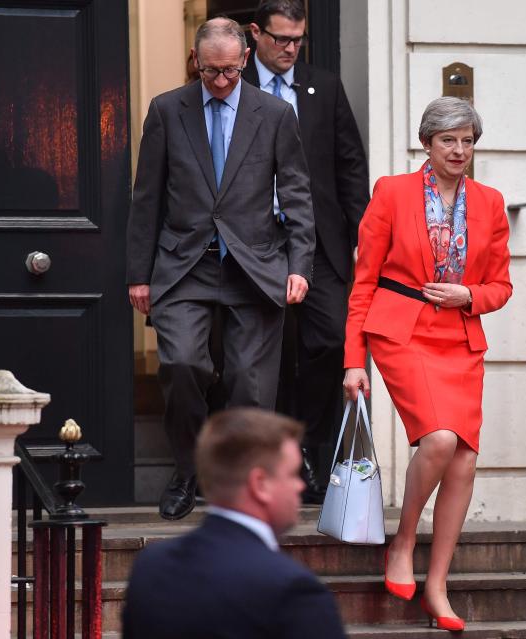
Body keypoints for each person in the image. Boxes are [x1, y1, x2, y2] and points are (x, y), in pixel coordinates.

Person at [125, 17, 315, 521]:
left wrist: (300, 265)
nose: (222, 81)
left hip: (255, 265)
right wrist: (138, 274)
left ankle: (241, 490)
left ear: (245, 59)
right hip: (185, 264)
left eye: (231, 70)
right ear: (197, 61)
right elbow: (147, 197)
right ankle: (187, 469)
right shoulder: (167, 110)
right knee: (183, 364)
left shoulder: (274, 114)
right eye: (212, 72)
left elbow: (296, 193)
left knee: (251, 388)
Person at [343, 97, 512, 632]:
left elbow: (502, 286)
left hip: (460, 337)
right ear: (427, 143)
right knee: (438, 440)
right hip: (403, 332)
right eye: (448, 140)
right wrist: (354, 360)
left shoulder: (490, 202)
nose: (459, 150)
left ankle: (437, 585)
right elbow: (364, 281)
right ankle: (403, 541)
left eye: (467, 141)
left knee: (462, 460)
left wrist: (470, 295)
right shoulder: (391, 192)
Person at [242, 0, 370, 504]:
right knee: (257, 356)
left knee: (331, 342)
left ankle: (312, 449)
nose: (291, 49)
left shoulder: (324, 87)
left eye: (298, 40)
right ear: (256, 34)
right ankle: (261, 463)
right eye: (280, 40)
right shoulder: (235, 84)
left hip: (319, 242)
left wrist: (364, 240)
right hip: (254, 244)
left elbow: (349, 166)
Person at [121, 408, 347, 638]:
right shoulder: (294, 591)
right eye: (291, 474)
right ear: (260, 484)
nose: (300, 486)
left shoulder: (151, 566)